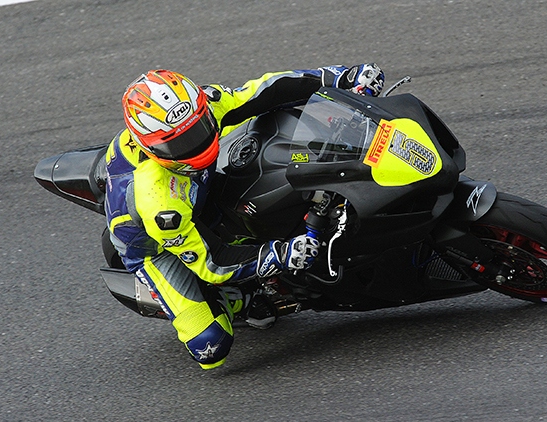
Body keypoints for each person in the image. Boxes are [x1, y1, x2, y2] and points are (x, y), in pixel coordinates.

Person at [104, 64, 385, 369]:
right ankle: (237, 300)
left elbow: (266, 91)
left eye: (200, 128)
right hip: (155, 246)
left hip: (197, 187)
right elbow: (214, 262)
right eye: (179, 143)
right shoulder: (157, 202)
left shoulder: (203, 106)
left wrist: (339, 77)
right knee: (211, 347)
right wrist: (278, 253)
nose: (197, 143)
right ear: (153, 148)